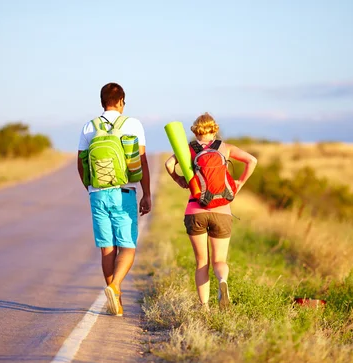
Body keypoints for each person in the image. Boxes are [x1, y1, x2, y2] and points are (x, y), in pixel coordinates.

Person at [164, 113, 257, 310]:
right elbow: (252, 160)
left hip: (195, 210)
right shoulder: (225, 148)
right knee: (219, 260)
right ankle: (222, 280)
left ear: (195, 130)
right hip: (222, 211)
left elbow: (168, 164)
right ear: (214, 130)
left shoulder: (188, 149)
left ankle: (204, 307)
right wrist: (240, 182)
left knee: (201, 263)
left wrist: (178, 179)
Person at [77, 82, 151, 317]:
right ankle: (115, 285)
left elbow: (81, 163)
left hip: (97, 194)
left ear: (102, 102)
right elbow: (141, 161)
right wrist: (146, 193)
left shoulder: (89, 126)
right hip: (124, 192)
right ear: (121, 101)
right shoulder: (132, 124)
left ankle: (116, 303)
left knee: (107, 248)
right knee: (127, 246)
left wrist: (90, 188)